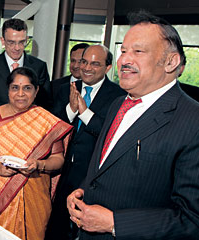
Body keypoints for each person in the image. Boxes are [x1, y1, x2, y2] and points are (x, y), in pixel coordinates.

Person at [67, 11, 199, 240]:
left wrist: (113, 223)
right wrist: (83, 190)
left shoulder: (192, 121)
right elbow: (106, 163)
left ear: (171, 62)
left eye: (138, 51)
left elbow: (191, 220)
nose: (124, 61)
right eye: (123, 51)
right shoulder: (119, 103)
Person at [0, 67, 72, 240]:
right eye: (15, 87)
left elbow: (58, 159)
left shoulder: (46, 121)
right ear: (8, 90)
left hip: (34, 194)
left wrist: (39, 164)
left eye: (27, 88)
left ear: (36, 90)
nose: (20, 94)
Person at [46, 45, 125, 239]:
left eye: (95, 63)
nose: (87, 68)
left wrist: (84, 112)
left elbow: (111, 135)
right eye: (84, 62)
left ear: (107, 68)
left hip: (92, 174)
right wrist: (71, 110)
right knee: (56, 225)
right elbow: (52, 128)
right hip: (61, 171)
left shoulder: (119, 95)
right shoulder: (64, 89)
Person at [0, 18, 51, 114]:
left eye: (21, 42)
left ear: (27, 40)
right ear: (3, 41)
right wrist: (10, 108)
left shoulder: (39, 66)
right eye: (11, 42)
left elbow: (46, 103)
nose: (17, 47)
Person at [48, 43, 89, 109]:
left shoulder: (94, 87)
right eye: (73, 61)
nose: (75, 66)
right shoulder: (54, 86)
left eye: (80, 61)